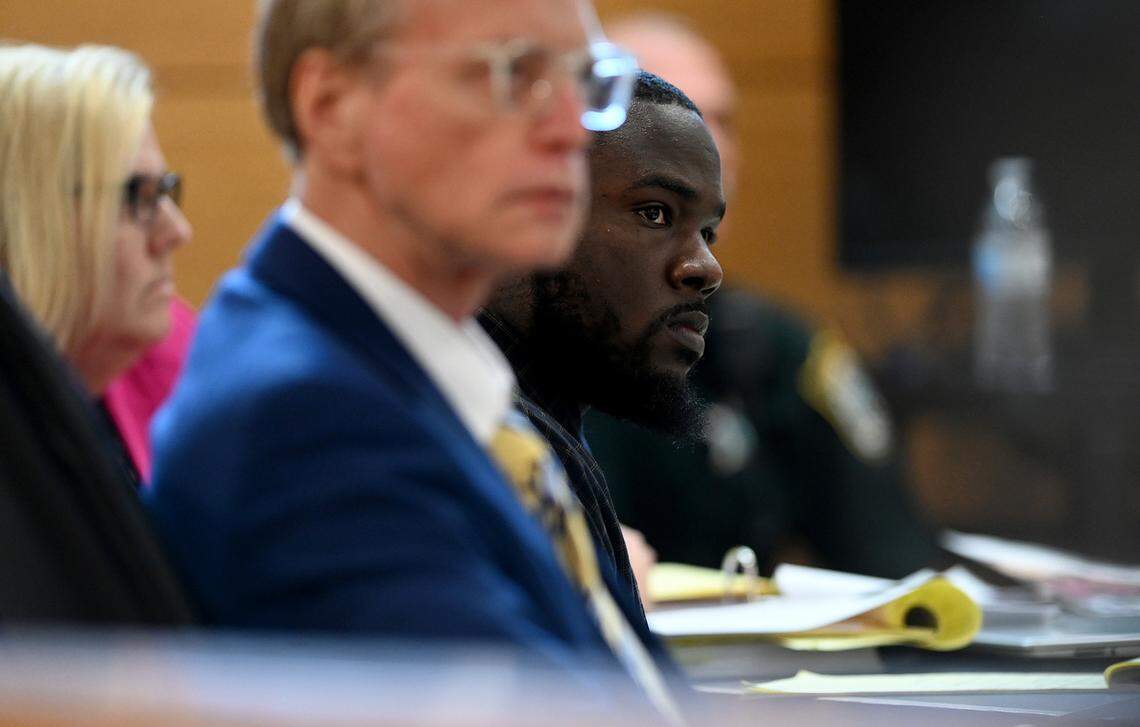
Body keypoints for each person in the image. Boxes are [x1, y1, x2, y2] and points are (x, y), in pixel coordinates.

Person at [146, 1, 680, 718]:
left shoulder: (400, 360)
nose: (568, 132)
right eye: (513, 73)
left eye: (586, 82)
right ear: (331, 107)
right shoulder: (305, 422)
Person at [583, 14, 947, 581]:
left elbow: (898, 567)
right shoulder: (518, 342)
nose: (707, 149)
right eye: (669, 117)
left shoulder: (776, 349)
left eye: (721, 121)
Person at [479, 71, 724, 606]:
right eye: (655, 212)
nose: (706, 266)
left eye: (708, 232)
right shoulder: (476, 432)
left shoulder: (542, 420)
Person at [0, 43, 193, 486]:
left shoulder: (174, 356)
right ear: (32, 219)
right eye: (139, 199)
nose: (177, 233)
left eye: (164, 192)